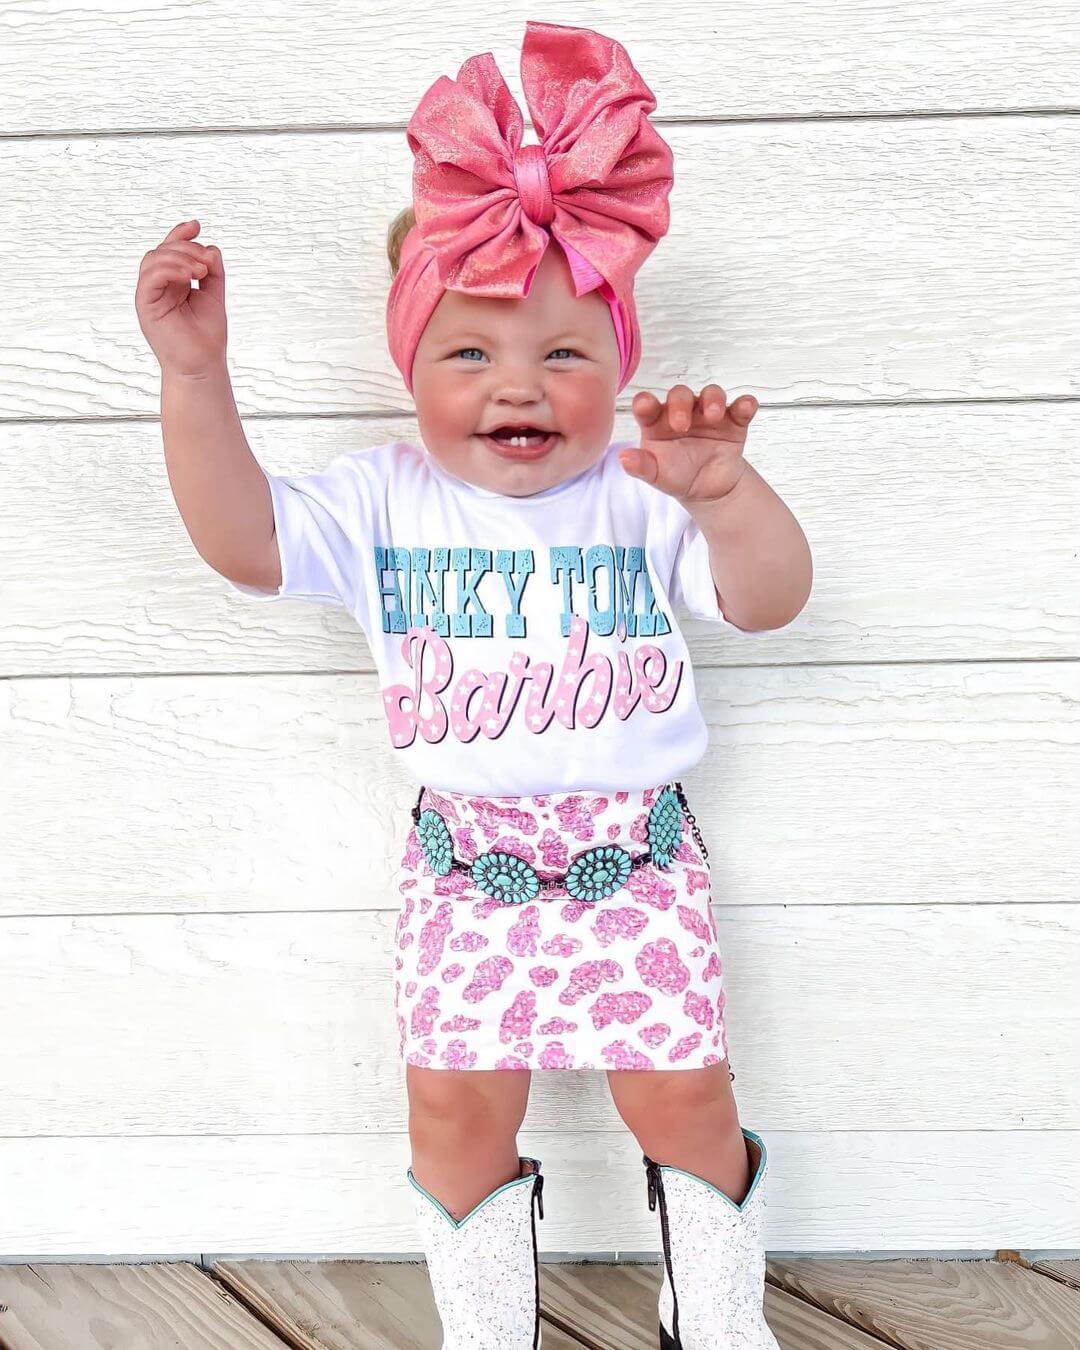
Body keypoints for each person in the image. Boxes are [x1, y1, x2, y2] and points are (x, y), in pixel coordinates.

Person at [135, 19, 812, 1350]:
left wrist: (726, 496)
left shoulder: (644, 491)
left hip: (637, 859)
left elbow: (769, 598)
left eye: (564, 354)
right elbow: (243, 541)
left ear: (616, 365)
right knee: (454, 1108)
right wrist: (195, 377)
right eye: (470, 355)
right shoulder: (384, 502)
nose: (521, 386)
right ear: (411, 368)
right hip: (466, 869)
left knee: (683, 1096)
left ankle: (717, 1316)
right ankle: (491, 1328)